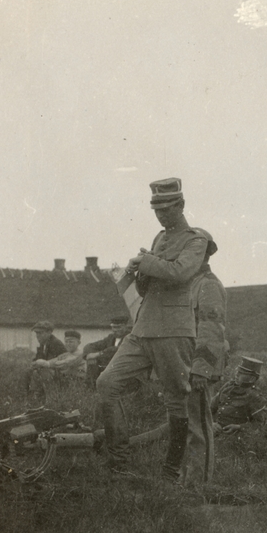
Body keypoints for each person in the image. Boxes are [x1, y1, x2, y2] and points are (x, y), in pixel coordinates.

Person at [96, 177, 214, 479]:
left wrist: (147, 262)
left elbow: (181, 272)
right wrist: (137, 273)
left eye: (167, 209)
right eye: (157, 210)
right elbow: (147, 287)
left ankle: (171, 471)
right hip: (143, 329)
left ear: (181, 205)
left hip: (174, 331)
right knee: (107, 383)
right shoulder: (159, 238)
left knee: (177, 401)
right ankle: (119, 462)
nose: (161, 215)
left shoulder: (196, 240)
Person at [182, 254, 228, 485]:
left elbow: (211, 329)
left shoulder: (207, 285)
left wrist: (201, 369)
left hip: (198, 368)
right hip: (186, 364)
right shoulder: (192, 283)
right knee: (187, 424)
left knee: (198, 425)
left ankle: (198, 483)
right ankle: (186, 479)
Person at [214, 357, 267, 431]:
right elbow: (210, 408)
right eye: (237, 371)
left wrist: (239, 427)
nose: (236, 374)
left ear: (252, 379)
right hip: (214, 428)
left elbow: (259, 424)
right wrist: (211, 423)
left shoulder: (255, 396)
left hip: (235, 434)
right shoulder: (228, 386)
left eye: (241, 373)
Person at [25, 321, 66, 403]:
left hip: (61, 373)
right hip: (50, 372)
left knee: (42, 372)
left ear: (49, 332)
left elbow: (57, 362)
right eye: (36, 333)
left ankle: (51, 399)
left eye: (40, 333)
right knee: (29, 371)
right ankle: (32, 397)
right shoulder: (43, 344)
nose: (37, 336)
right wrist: (34, 364)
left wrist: (39, 364)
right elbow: (38, 358)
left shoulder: (55, 343)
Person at [83, 316, 132, 385]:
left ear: (125, 326)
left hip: (122, 367)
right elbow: (90, 345)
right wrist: (89, 355)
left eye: (118, 327)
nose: (115, 330)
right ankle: (91, 387)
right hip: (107, 367)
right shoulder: (110, 337)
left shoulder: (130, 337)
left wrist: (99, 354)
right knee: (92, 362)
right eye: (113, 327)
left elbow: (117, 349)